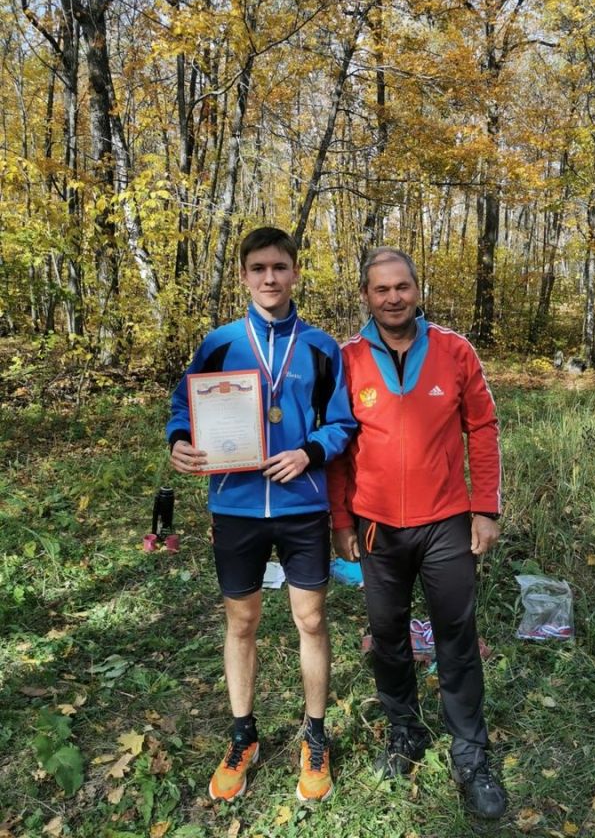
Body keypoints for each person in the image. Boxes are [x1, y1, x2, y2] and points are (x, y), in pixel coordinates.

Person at [167, 227, 355, 804]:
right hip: (236, 503)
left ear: (295, 271)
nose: (269, 278)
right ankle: (243, 734)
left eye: (279, 267)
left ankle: (314, 735)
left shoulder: (322, 347)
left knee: (311, 621)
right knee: (242, 623)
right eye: (258, 269)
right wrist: (180, 439)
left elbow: (343, 422)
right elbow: (184, 402)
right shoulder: (221, 342)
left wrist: (309, 452)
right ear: (244, 275)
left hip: (301, 506)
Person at [328, 247, 506, 820]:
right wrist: (342, 521)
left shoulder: (455, 350)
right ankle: (404, 733)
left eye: (402, 286)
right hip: (378, 527)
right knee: (387, 636)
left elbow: (482, 426)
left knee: (456, 634)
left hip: (446, 523)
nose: (393, 298)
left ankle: (471, 754)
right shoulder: (346, 359)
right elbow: (336, 447)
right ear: (365, 296)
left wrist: (485, 508)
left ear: (416, 289)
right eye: (381, 289)